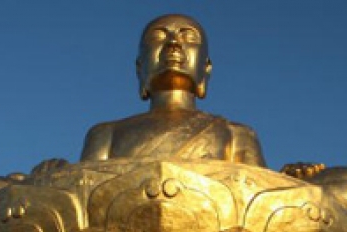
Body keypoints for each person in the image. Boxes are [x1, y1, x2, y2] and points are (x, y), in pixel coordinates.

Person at [80, 14, 266, 168]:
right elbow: (83, 190)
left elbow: (260, 194)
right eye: (158, 38)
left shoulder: (235, 135)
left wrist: (290, 177)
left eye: (189, 38)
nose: (173, 44)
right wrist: (57, 172)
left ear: (206, 67)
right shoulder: (106, 134)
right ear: (140, 67)